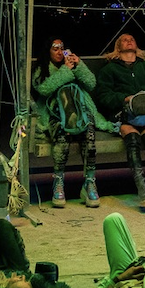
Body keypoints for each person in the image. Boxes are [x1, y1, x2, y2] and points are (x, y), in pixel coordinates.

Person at [31, 36, 107, 208]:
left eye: (61, 48)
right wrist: (65, 71)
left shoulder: (73, 64)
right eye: (55, 48)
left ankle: (89, 181)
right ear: (47, 51)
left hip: (79, 110)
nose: (59, 52)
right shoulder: (41, 69)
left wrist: (79, 65)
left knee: (89, 134)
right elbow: (44, 89)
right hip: (54, 113)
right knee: (61, 134)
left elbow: (91, 83)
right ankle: (58, 180)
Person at [96, 34, 145, 207]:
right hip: (122, 113)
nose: (129, 40)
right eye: (124, 40)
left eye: (132, 39)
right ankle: (141, 186)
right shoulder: (109, 69)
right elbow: (103, 96)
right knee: (133, 139)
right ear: (118, 47)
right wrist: (125, 98)